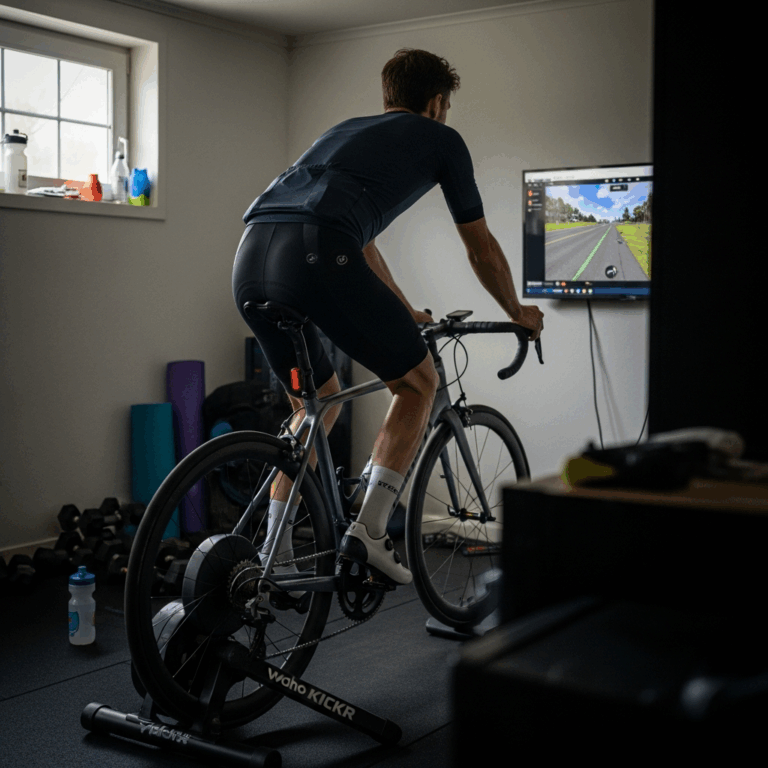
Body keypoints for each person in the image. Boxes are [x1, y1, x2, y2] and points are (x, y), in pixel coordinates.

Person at [232, 48, 543, 588]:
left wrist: (402, 309)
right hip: (317, 253)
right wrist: (518, 312)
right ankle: (370, 533)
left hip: (253, 256)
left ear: (388, 97)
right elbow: (481, 248)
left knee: (314, 408)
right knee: (418, 383)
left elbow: (363, 242)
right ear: (437, 102)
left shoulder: (347, 132)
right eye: (445, 105)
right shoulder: (442, 139)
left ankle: (271, 558)